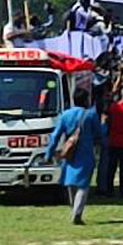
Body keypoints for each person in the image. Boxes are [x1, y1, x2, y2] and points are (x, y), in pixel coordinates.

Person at [46, 87, 106, 225]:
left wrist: (49, 152)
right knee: (83, 185)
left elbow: (55, 136)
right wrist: (103, 125)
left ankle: (74, 207)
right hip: (85, 153)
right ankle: (77, 213)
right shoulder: (91, 115)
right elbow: (99, 134)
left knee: (71, 183)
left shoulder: (65, 115)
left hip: (69, 153)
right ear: (86, 100)